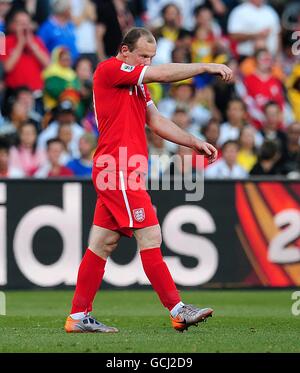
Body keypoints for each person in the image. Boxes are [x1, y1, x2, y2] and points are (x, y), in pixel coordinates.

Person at [64, 27, 233, 334]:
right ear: (124, 50)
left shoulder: (137, 85)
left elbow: (155, 122)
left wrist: (193, 141)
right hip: (116, 169)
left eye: (151, 57)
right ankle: (178, 310)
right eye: (142, 56)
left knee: (102, 243)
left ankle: (78, 316)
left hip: (122, 170)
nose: (147, 62)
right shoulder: (110, 70)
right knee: (151, 235)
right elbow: (163, 76)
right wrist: (206, 66)